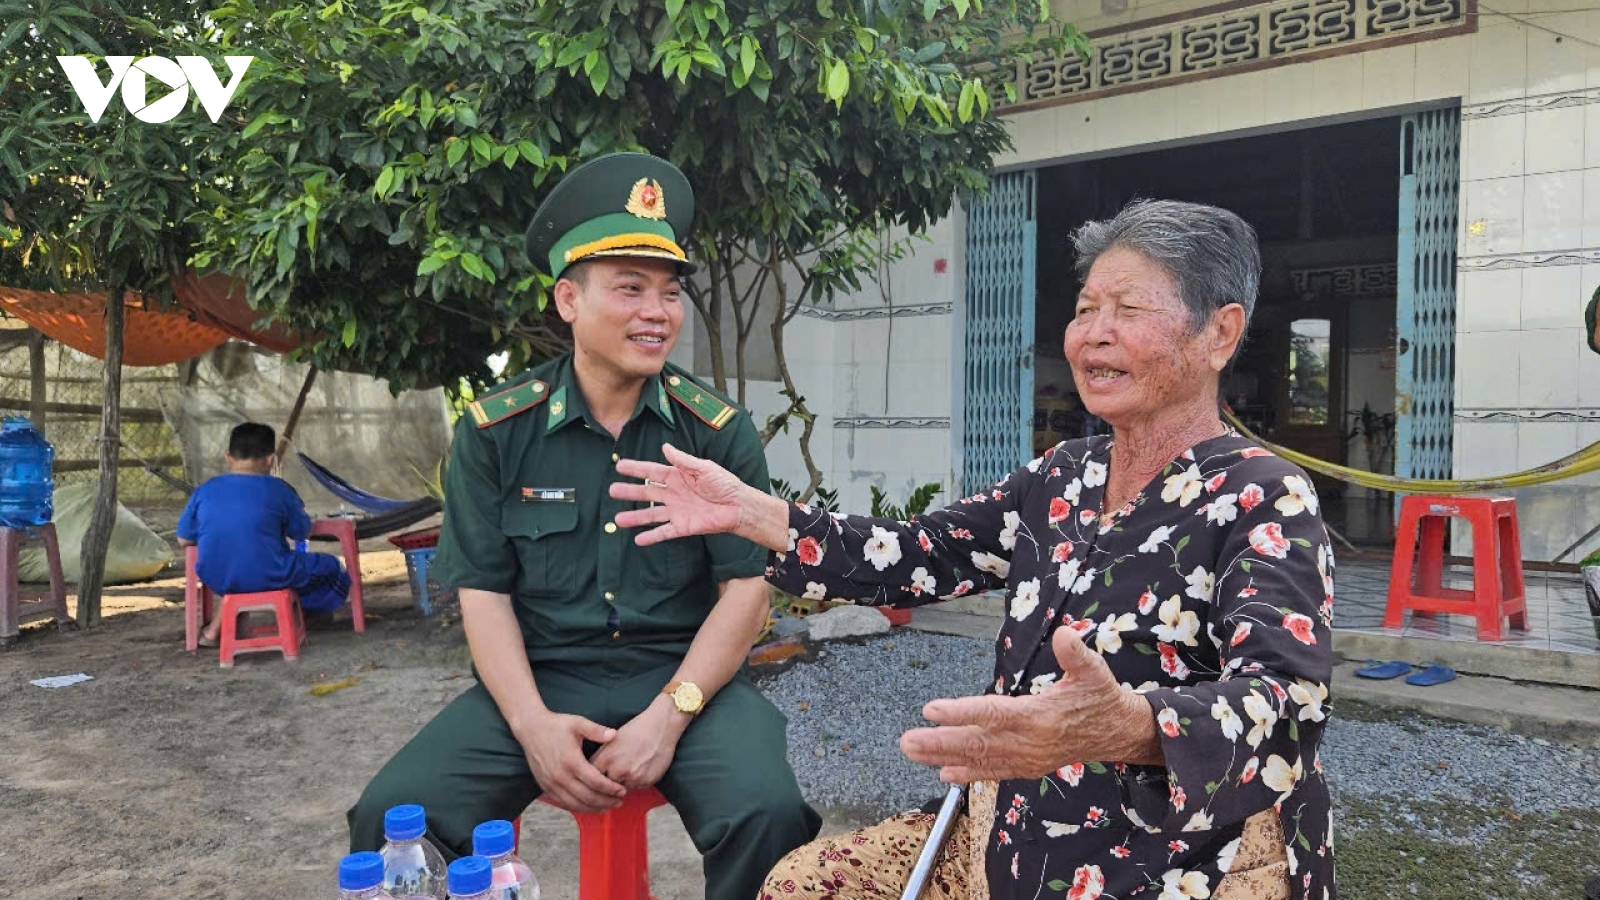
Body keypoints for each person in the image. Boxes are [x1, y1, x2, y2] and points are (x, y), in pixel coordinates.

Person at [611, 200, 1337, 900]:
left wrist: (1126, 725)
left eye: (1129, 309)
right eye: (1086, 309)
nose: (1094, 335)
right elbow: (920, 552)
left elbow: (1288, 702)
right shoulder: (1063, 475)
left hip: (1173, 863)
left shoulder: (1263, 494)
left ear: (1219, 334)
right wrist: (758, 514)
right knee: (801, 885)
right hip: (1011, 834)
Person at [345, 152, 820, 900]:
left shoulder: (715, 432)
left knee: (768, 812)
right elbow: (483, 592)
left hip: (684, 677)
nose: (657, 312)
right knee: (392, 818)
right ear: (568, 299)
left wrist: (669, 716)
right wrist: (531, 725)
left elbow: (745, 591)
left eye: (669, 293)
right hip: (540, 676)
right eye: (630, 288)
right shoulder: (498, 431)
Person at [177, 421, 351, 646]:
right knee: (334, 568)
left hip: (216, 576)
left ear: (228, 458)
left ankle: (216, 630)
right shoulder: (279, 489)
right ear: (271, 460)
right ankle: (307, 614)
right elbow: (302, 532)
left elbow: (183, 539)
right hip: (271, 574)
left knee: (242, 568)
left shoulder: (204, 491)